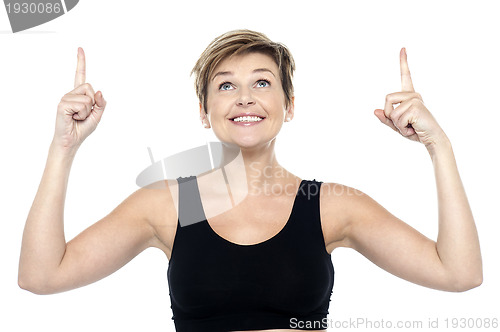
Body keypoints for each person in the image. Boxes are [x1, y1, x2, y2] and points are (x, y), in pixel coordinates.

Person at [18, 29, 483, 332]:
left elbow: (458, 273)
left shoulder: (327, 206)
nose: (244, 97)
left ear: (290, 104)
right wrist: (64, 148)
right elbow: (42, 276)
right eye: (225, 85)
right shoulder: (172, 206)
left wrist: (438, 146)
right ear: (205, 112)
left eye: (262, 83)